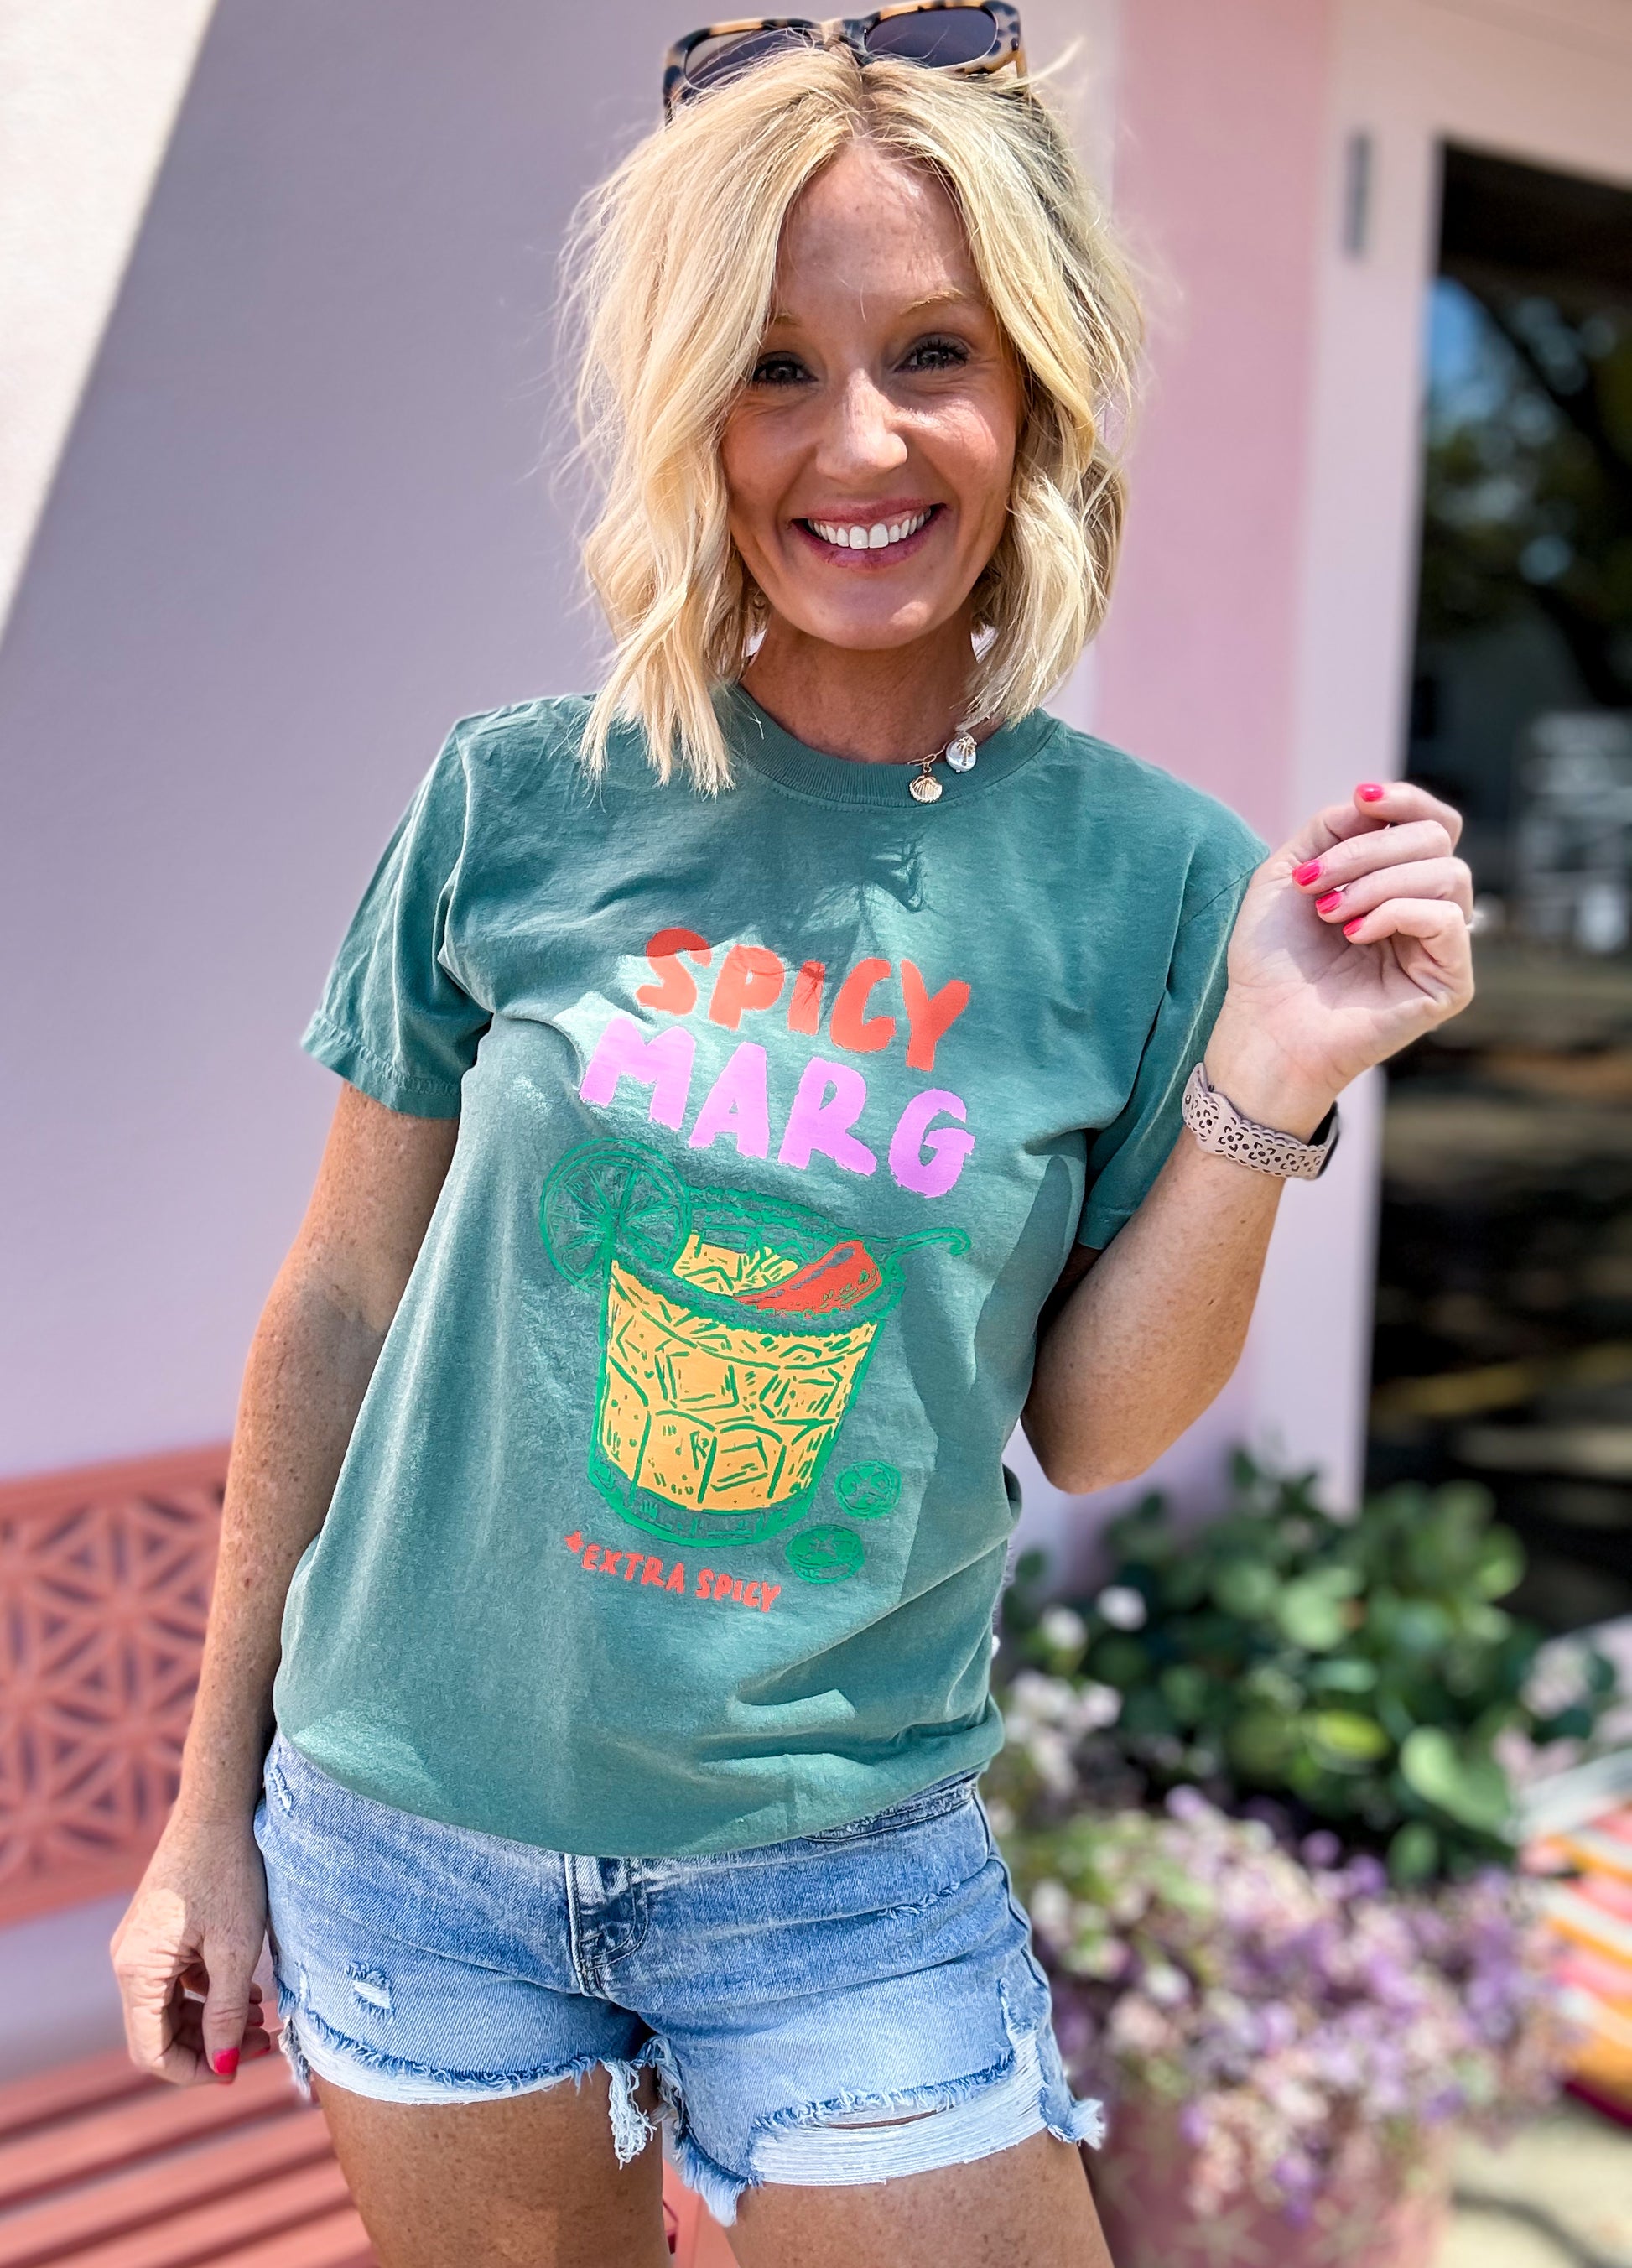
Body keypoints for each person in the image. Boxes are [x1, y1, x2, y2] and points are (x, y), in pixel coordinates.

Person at [111, 15, 1474, 2266]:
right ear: (690, 416)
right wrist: (202, 1817)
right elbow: (338, 1307)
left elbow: (1094, 1425)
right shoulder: (516, 799)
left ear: (1033, 387)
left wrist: (1279, 1074)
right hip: (412, 1845)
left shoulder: (1151, 880)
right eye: (771, 368)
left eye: (931, 353)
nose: (858, 441)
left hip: (839, 1881)